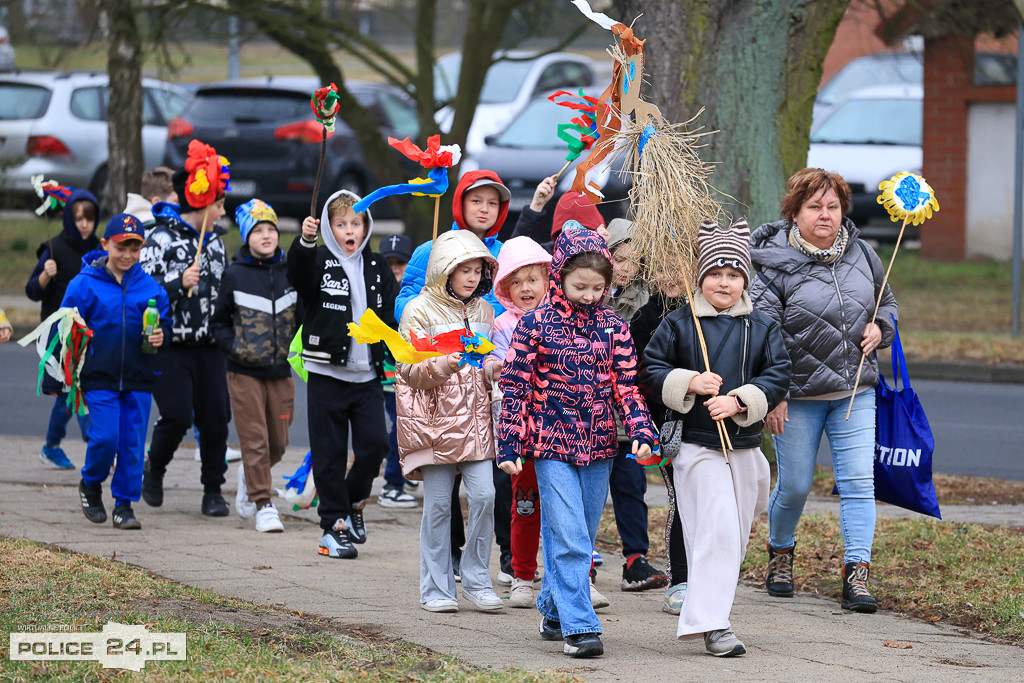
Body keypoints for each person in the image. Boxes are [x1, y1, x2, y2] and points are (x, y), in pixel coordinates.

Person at [498, 227, 655, 659]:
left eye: (598, 288)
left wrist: (641, 431)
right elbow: (516, 388)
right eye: (579, 286)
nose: (589, 295)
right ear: (559, 278)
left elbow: (628, 387)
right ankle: (580, 626)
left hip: (600, 445)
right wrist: (510, 444)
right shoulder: (534, 325)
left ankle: (553, 609)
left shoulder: (615, 328)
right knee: (567, 535)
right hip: (550, 445)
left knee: (581, 535)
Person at [750, 168, 898, 613]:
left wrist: (881, 327)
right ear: (794, 212)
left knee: (857, 483)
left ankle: (857, 576)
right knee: (795, 486)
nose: (825, 215)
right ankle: (780, 554)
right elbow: (762, 333)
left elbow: (885, 302)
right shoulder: (771, 263)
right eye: (815, 206)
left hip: (855, 391)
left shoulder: (864, 254)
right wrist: (771, 394)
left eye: (833, 206)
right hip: (795, 396)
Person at [642, 218, 790, 657]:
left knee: (739, 526)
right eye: (714, 274)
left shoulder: (762, 327)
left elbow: (778, 374)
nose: (723, 283)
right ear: (700, 277)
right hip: (697, 444)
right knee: (719, 528)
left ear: (745, 279)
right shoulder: (678, 323)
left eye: (733, 274)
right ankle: (712, 624)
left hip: (743, 445)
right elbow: (650, 369)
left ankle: (713, 608)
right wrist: (689, 382)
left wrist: (741, 401)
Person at [396, 230, 504, 613]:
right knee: (439, 507)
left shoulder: (485, 312)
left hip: (475, 423)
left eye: (478, 270)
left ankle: (476, 580)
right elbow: (407, 369)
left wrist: (493, 367)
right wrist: (444, 364)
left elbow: (485, 361)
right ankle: (436, 589)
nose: (473, 278)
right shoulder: (418, 310)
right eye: (464, 270)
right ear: (444, 270)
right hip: (434, 423)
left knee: (485, 496)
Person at [293, 190, 398, 559]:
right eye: (340, 224)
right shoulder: (318, 260)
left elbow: (391, 316)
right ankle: (332, 525)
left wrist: (403, 351)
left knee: (376, 445)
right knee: (330, 453)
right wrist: (305, 242)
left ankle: (353, 502)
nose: (349, 230)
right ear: (327, 227)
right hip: (326, 372)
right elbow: (298, 272)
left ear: (366, 227)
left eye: (356, 223)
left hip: (366, 374)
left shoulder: (377, 266)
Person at [61, 214, 171, 530]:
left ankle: (124, 505)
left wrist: (162, 333)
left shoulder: (149, 286)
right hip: (98, 375)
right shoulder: (84, 284)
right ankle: (91, 484)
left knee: (133, 444)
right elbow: (65, 326)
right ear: (105, 244)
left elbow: (165, 322)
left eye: (134, 248)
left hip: (138, 377)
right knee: (106, 437)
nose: (127, 255)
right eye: (121, 247)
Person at [140, 160, 232, 517]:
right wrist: (178, 285)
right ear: (203, 203)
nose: (223, 211)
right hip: (170, 344)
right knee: (177, 415)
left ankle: (213, 489)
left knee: (215, 418)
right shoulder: (159, 238)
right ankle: (155, 468)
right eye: (219, 204)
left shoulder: (216, 244)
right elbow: (142, 293)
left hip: (210, 345)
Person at [211, 199, 298, 533]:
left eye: (270, 229)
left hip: (279, 371)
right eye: (257, 230)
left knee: (278, 443)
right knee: (256, 441)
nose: (266, 236)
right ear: (247, 236)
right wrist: (235, 347)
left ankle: (250, 476)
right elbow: (218, 322)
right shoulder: (235, 274)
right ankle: (264, 503)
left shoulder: (291, 271)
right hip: (243, 371)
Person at [602, 217, 667, 594]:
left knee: (631, 486)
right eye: (618, 259)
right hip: (592, 414)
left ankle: (635, 559)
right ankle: (585, 559)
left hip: (628, 416)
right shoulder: (593, 294)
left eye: (633, 260)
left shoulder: (648, 301)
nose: (625, 268)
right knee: (588, 491)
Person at [487, 235, 552, 608]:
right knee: (524, 506)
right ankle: (523, 575)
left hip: (559, 430)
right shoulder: (501, 324)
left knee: (565, 510)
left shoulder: (561, 318)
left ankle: (576, 576)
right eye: (516, 281)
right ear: (505, 287)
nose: (525, 288)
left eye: (532, 279)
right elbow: (491, 363)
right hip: (521, 432)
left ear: (547, 279)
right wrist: (495, 365)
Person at [629, 269, 692, 615]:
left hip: (711, 420)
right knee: (681, 499)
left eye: (680, 261)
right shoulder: (646, 316)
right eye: (663, 263)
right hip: (668, 424)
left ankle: (708, 578)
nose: (673, 271)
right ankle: (679, 580)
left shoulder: (708, 311)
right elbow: (642, 374)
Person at [25, 188, 99, 469]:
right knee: (77, 390)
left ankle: (51, 447)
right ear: (69, 218)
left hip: (88, 332)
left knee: (69, 395)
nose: (84, 224)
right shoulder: (53, 249)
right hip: (59, 335)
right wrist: (45, 275)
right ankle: (100, 447)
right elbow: (32, 291)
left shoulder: (100, 250)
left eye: (89, 219)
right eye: (79, 218)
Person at [394, 171, 511, 321]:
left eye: (492, 203)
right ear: (460, 203)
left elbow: (512, 307)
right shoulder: (430, 250)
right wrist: (419, 304)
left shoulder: (506, 254)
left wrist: (475, 315)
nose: (484, 209)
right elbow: (402, 307)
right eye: (476, 201)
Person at [376, 234, 418, 509]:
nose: (395, 269)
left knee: (415, 426)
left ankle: (410, 470)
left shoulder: (417, 291)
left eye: (400, 264)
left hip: (414, 370)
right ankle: (391, 486)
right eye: (389, 263)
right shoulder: (377, 291)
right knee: (399, 428)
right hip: (390, 374)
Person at [123, 166, 177, 235]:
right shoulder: (157, 231)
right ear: (157, 203)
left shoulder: (128, 225)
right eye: (176, 202)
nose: (181, 206)